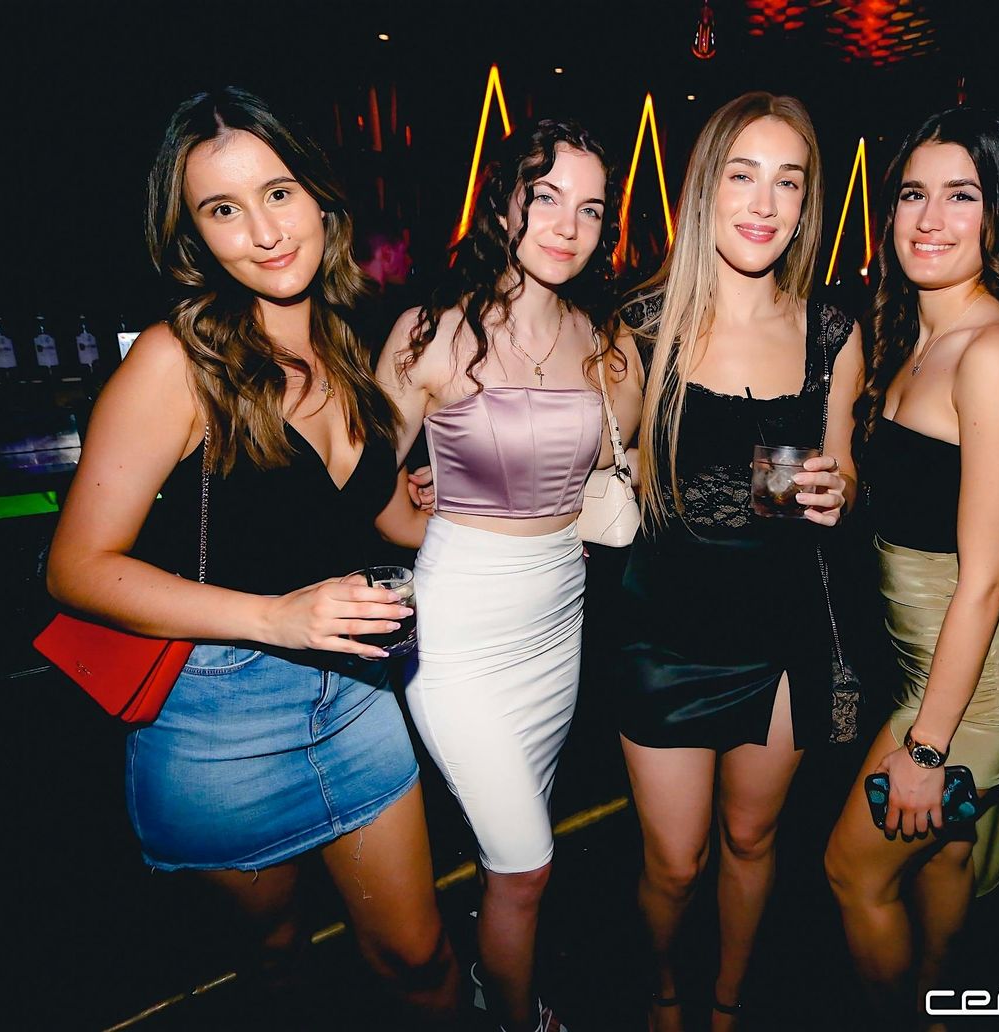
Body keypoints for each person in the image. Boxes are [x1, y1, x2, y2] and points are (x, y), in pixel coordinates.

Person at [44, 88, 457, 1024]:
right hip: (221, 718)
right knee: (278, 970)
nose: (265, 233)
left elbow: (384, 517)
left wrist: (490, 518)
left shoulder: (343, 345)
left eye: (278, 193)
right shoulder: (177, 361)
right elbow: (76, 566)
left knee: (420, 957)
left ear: (319, 198)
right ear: (194, 234)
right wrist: (275, 615)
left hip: (357, 694)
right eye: (223, 209)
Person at [376, 119, 641, 1032]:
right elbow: (360, 485)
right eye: (546, 197)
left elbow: (625, 465)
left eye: (591, 209)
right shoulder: (432, 333)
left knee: (514, 851)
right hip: (458, 631)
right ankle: (521, 1021)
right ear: (503, 205)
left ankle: (499, 986)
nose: (569, 225)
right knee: (527, 862)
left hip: (559, 619)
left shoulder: (603, 341)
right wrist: (426, 520)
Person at [617, 92, 862, 1031]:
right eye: (742, 175)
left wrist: (840, 492)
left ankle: (726, 1006)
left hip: (780, 630)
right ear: (704, 189)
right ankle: (660, 993)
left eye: (787, 182)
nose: (764, 203)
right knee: (675, 862)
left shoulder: (832, 331)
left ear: (806, 204)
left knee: (752, 838)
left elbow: (844, 471)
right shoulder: (644, 327)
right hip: (665, 634)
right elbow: (586, 452)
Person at [823, 108, 999, 1029]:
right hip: (932, 655)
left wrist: (925, 750)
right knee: (945, 852)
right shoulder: (915, 335)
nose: (930, 219)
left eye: (961, 196)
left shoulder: (993, 352)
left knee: (853, 870)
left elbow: (984, 577)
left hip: (984, 674)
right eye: (912, 195)